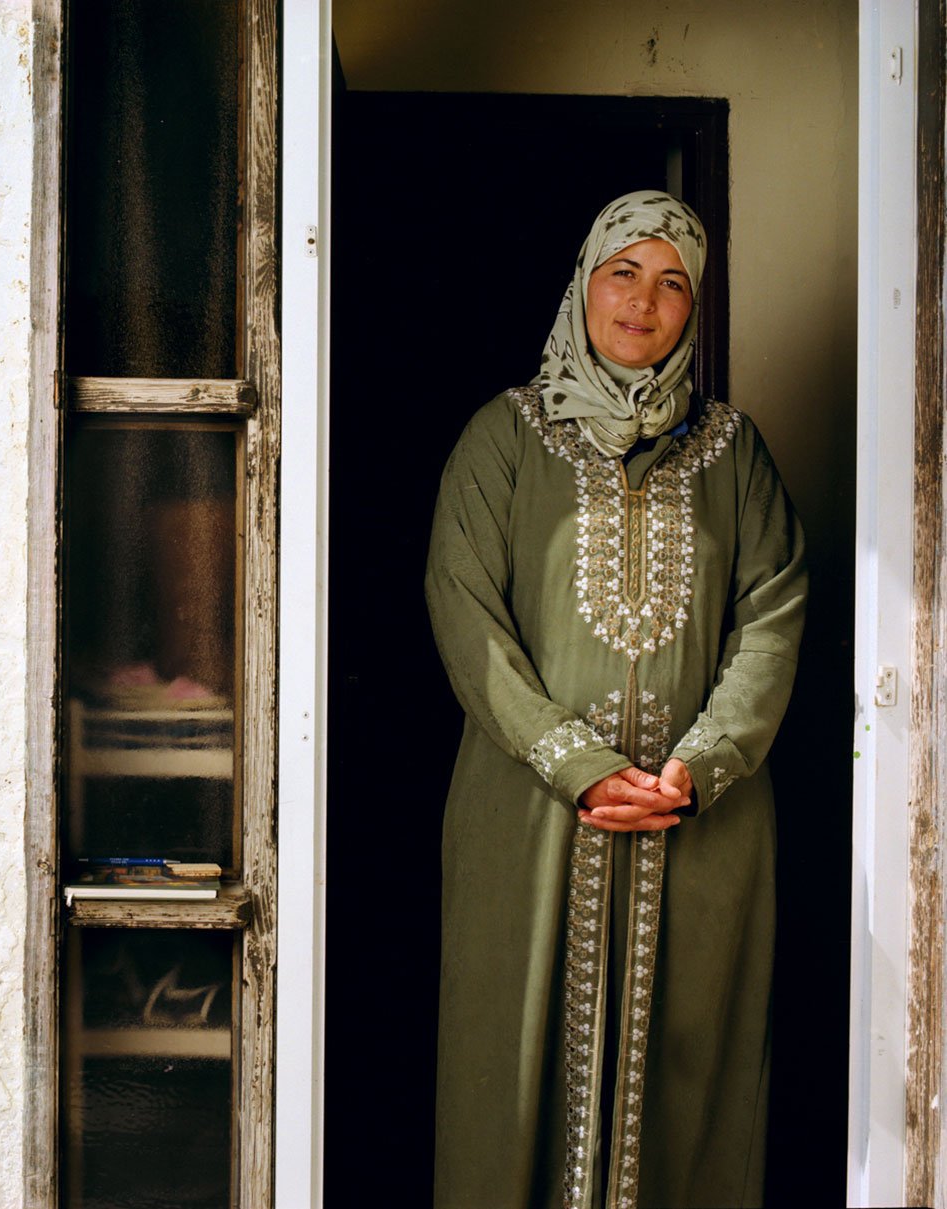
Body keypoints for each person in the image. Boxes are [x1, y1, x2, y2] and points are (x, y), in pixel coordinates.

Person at [425, 192, 806, 1208]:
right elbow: (465, 617)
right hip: (529, 820)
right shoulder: (504, 438)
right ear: (583, 282)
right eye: (623, 271)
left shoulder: (736, 453)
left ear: (695, 309)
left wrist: (702, 764)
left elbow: (773, 616)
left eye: (673, 281)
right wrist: (577, 766)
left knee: (691, 1081)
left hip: (704, 829)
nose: (644, 300)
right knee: (511, 1079)